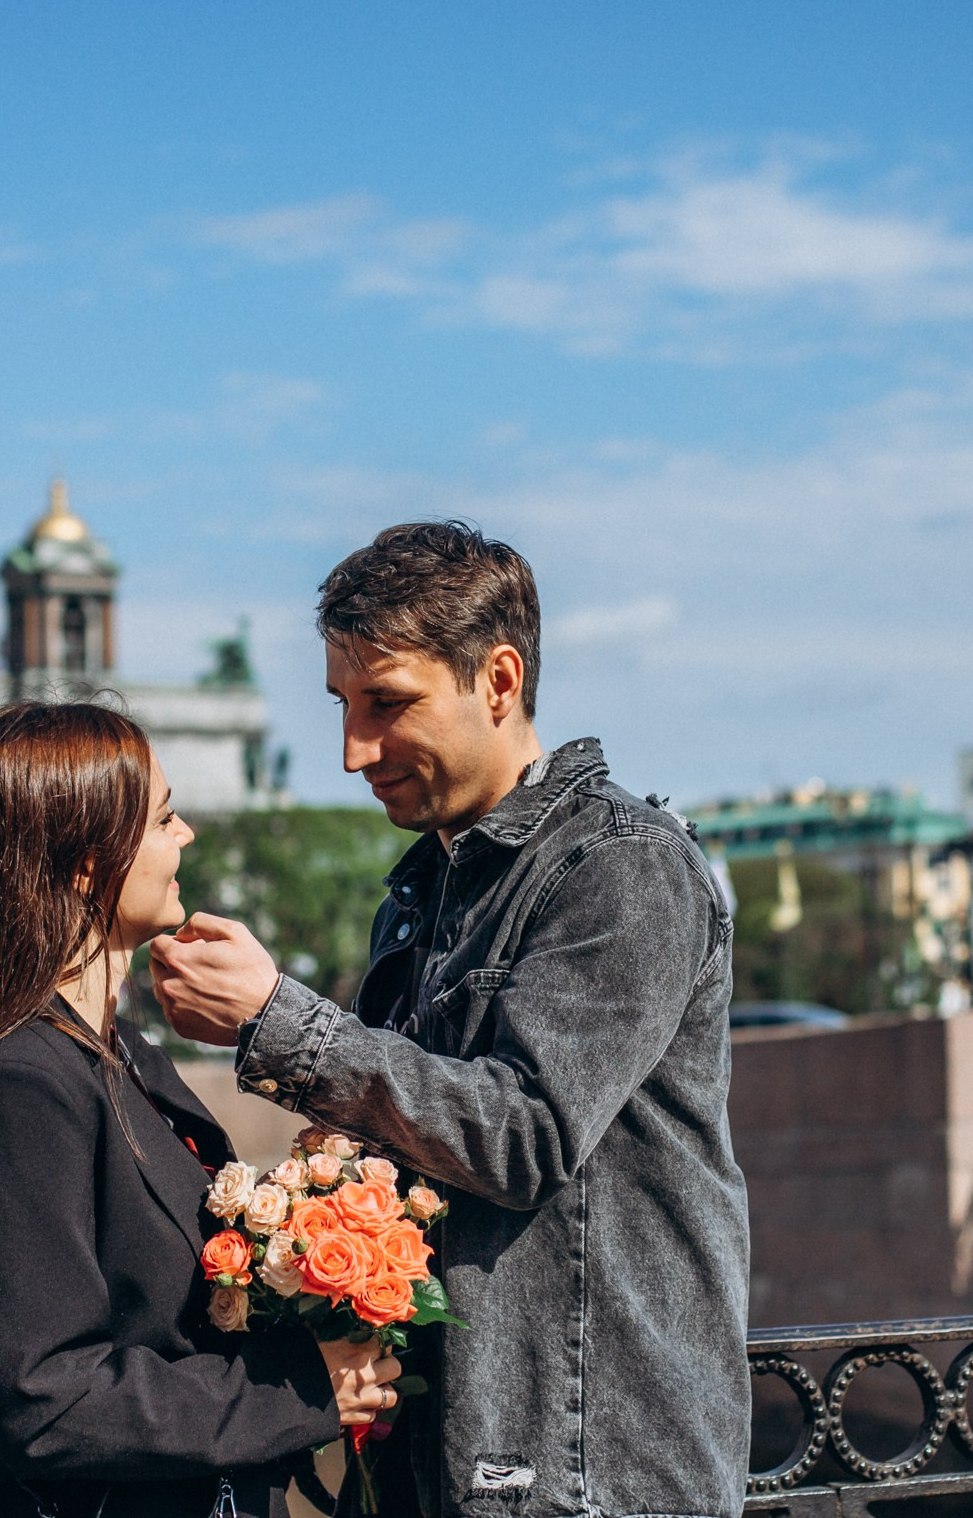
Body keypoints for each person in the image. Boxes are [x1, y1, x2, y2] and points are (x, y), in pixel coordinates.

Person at [152, 521, 751, 1518]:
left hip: (588, 1479)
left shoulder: (622, 866)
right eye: (344, 706)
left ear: (499, 681)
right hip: (447, 1464)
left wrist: (277, 1017)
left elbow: (526, 1135)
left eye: (387, 704)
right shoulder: (422, 891)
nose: (353, 751)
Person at [0, 701, 402, 1518]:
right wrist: (300, 1391)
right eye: (164, 819)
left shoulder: (121, 1052)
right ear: (86, 864)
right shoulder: (20, 1083)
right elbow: (48, 1400)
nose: (187, 836)